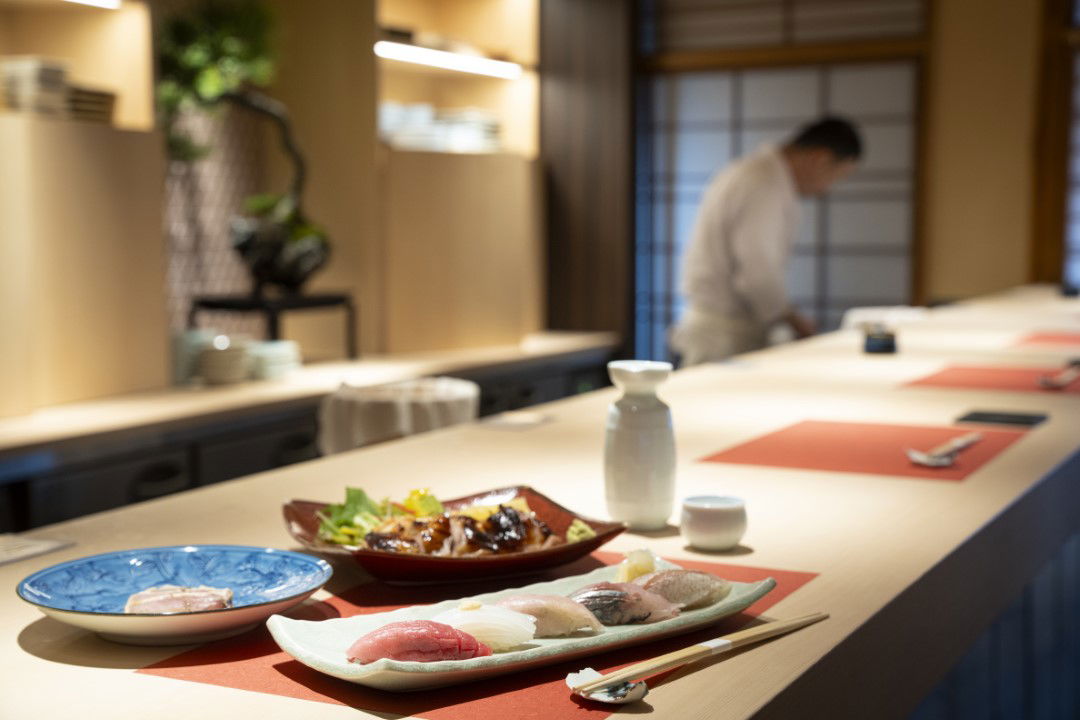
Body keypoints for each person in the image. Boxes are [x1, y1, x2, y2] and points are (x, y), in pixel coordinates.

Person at [670, 116, 862, 365]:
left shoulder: (757, 174)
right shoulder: (763, 183)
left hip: (723, 327)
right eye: (835, 176)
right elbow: (757, 273)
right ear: (820, 159)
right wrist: (794, 320)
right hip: (723, 333)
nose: (827, 188)